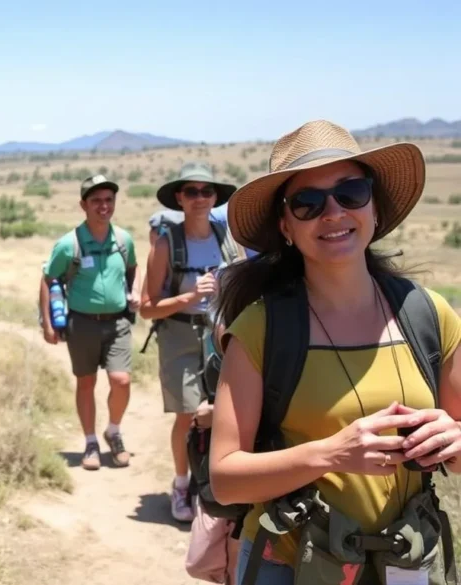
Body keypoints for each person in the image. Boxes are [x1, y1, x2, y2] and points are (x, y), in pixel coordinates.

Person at [209, 120, 461, 584]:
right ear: (285, 226)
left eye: (351, 192)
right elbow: (226, 477)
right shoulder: (262, 329)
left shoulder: (430, 316)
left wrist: (453, 440)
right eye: (307, 203)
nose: (333, 212)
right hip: (289, 564)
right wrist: (332, 453)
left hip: (404, 560)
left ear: (374, 208)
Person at [138, 162, 239, 523]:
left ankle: (213, 482)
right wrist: (190, 296)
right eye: (192, 191)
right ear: (180, 198)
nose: (200, 198)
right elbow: (148, 309)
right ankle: (182, 484)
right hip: (179, 334)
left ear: (215, 197)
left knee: (223, 412)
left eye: (207, 191)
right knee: (187, 414)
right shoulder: (166, 246)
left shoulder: (227, 239)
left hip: (220, 334)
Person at [39, 174, 139, 471]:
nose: (103, 206)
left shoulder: (123, 240)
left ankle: (114, 431)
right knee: (86, 383)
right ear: (83, 205)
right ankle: (91, 442)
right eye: (96, 200)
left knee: (121, 380)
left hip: (118, 322)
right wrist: (47, 322)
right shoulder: (69, 244)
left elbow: (133, 268)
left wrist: (134, 292)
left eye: (109, 199)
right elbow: (48, 279)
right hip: (81, 323)